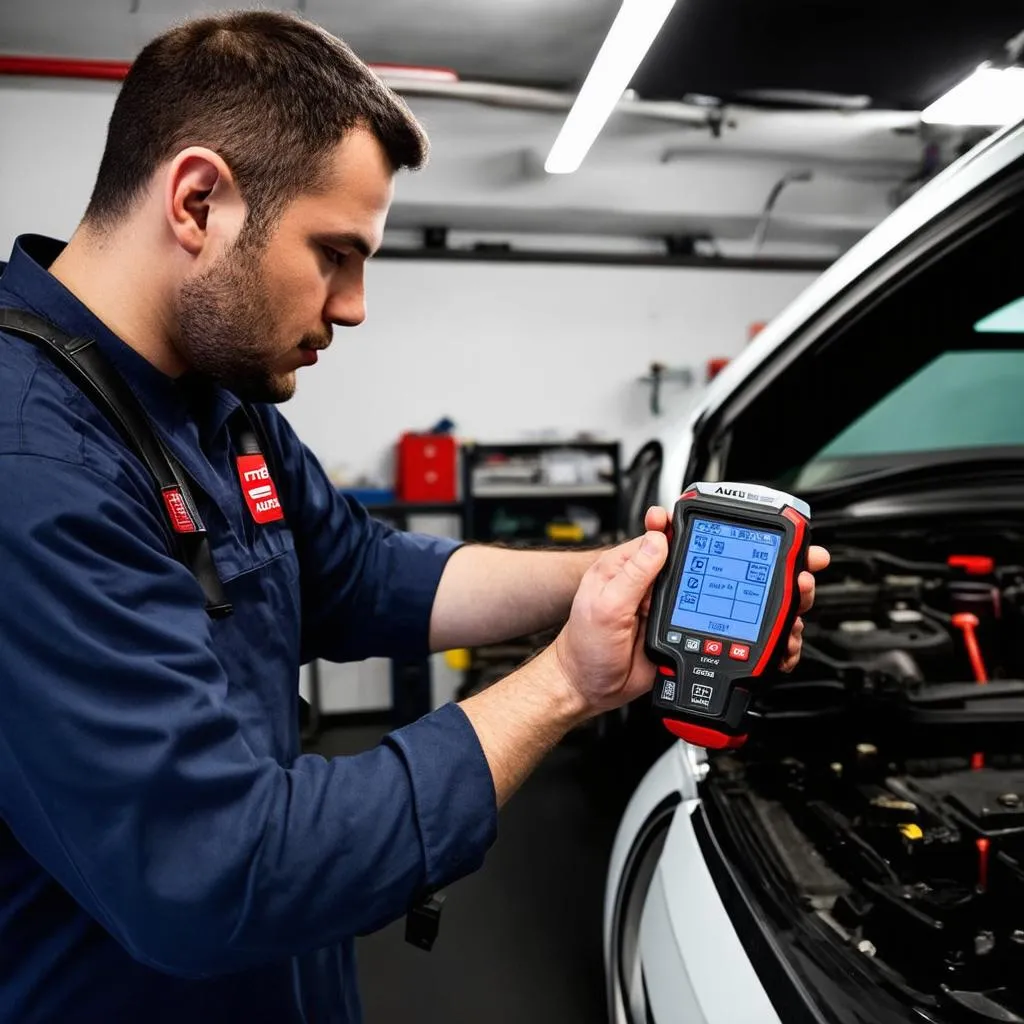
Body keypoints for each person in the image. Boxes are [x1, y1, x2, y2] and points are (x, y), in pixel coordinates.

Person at [0, 11, 829, 1024]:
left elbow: (354, 573)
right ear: (199, 200)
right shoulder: (31, 462)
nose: (352, 306)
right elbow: (214, 870)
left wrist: (623, 575)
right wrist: (569, 679)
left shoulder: (217, 395)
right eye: (335, 254)